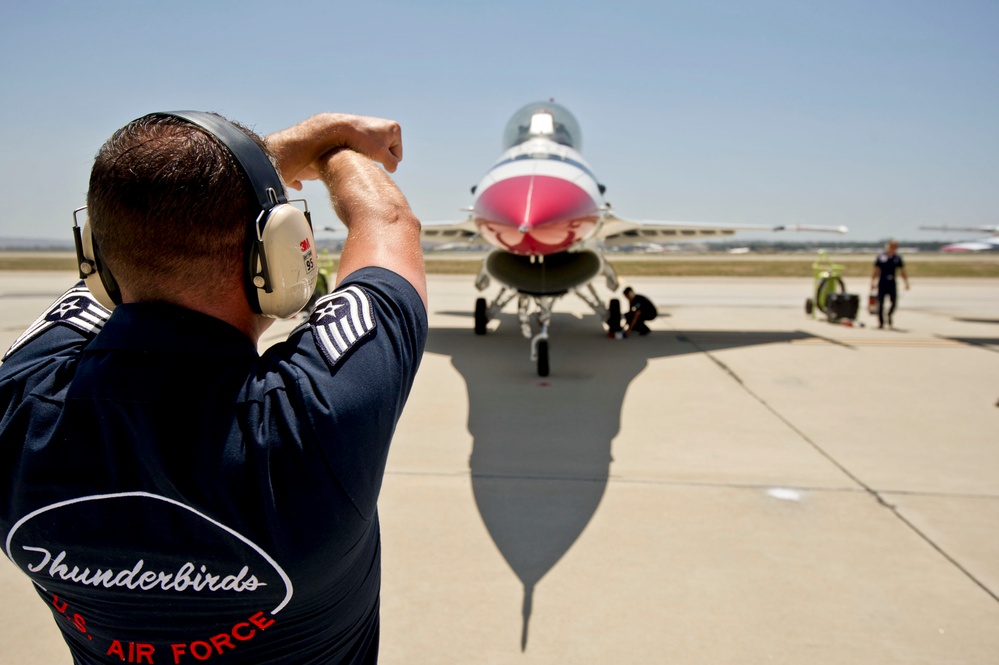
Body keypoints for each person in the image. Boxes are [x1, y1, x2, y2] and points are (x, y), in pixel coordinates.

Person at [0, 111, 427, 664]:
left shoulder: (15, 403)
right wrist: (334, 145)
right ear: (279, 254)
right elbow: (388, 224)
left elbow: (132, 237)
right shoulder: (316, 417)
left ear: (97, 260)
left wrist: (287, 149)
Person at [870, 239, 910, 328]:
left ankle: (889, 314)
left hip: (892, 282)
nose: (894, 248)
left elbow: (902, 271)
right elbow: (876, 271)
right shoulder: (881, 257)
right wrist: (872, 282)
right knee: (880, 303)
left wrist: (906, 283)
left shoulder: (897, 258)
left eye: (895, 247)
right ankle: (881, 322)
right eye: (892, 246)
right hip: (882, 282)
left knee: (894, 302)